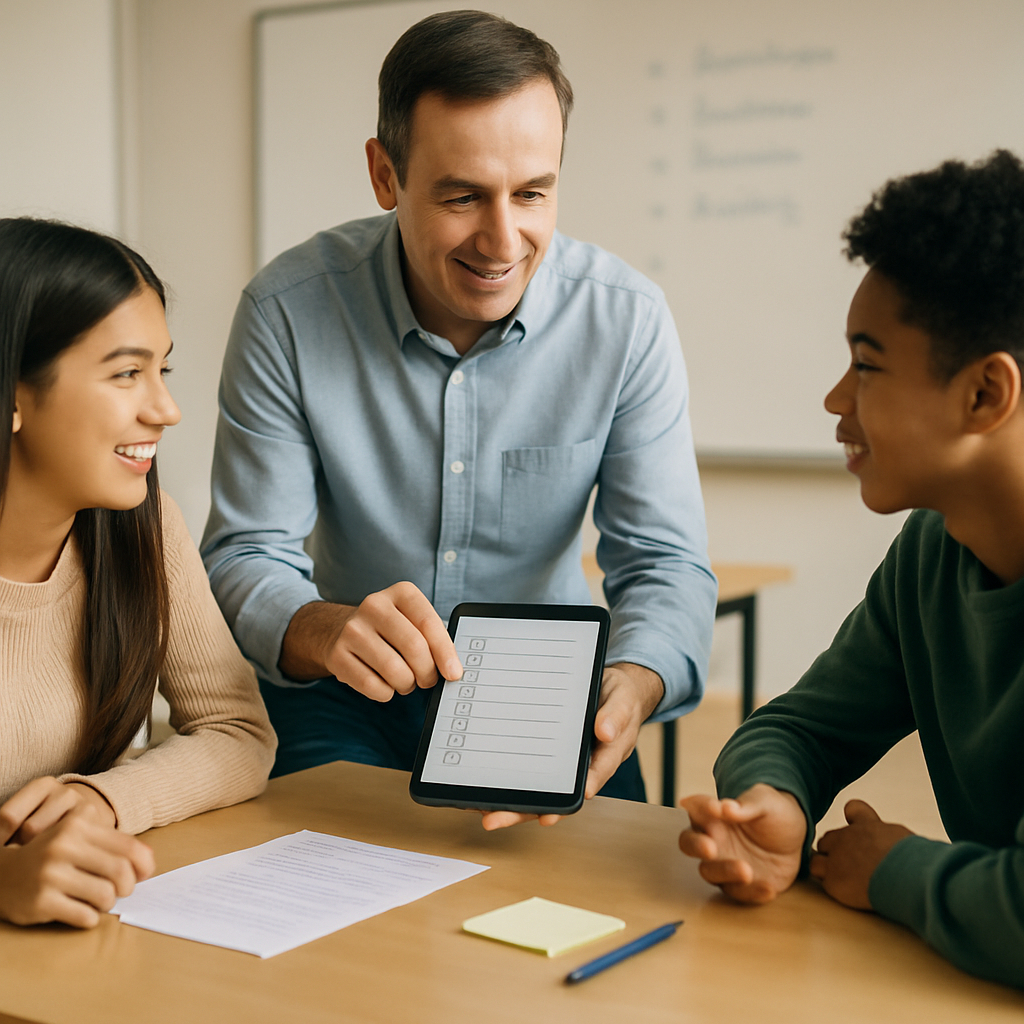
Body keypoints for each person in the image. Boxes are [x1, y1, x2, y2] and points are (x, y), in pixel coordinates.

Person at [202, 10, 716, 826]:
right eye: (463, 196)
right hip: (346, 689)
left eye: (533, 193)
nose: (503, 239)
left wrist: (635, 679)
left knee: (601, 906)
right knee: (323, 916)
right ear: (385, 176)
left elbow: (664, 562)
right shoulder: (287, 311)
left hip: (548, 698)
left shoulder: (626, 320)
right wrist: (323, 627)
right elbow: (244, 553)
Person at [677, 149, 1024, 988]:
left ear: (984, 395)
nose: (837, 399)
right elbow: (797, 729)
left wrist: (893, 869)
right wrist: (775, 805)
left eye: (866, 365)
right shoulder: (933, 553)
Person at [0, 218, 276, 929]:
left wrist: (103, 800)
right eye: (126, 373)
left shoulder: (143, 528)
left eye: (163, 370)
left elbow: (237, 733)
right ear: (14, 396)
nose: (166, 409)